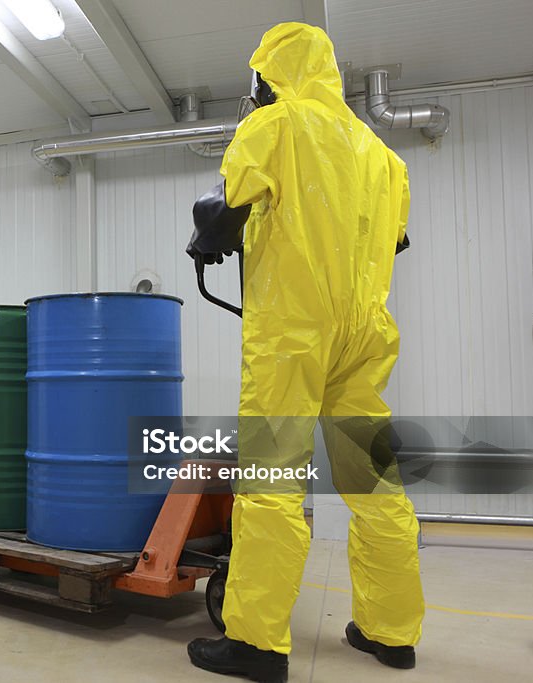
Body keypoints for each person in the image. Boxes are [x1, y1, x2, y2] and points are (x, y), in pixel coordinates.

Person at [185, 23, 423, 682]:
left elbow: (224, 206)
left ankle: (258, 643)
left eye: (258, 77)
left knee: (270, 484)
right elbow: (394, 240)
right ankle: (391, 631)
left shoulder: (274, 125)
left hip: (292, 334)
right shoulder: (382, 156)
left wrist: (207, 238)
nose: (254, 90)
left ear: (272, 75)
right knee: (373, 477)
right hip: (363, 334)